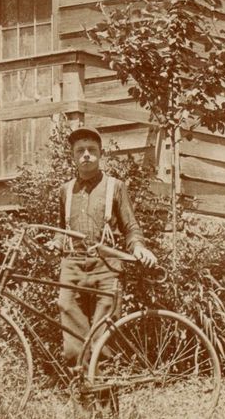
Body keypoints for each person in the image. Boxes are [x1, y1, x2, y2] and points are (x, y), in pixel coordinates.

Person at [54, 124, 158, 368]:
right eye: (80, 151)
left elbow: (131, 227)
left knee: (104, 336)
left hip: (107, 265)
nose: (86, 155)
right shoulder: (65, 190)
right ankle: (81, 387)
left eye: (91, 150)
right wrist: (55, 242)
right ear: (73, 156)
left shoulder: (115, 186)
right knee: (71, 335)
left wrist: (139, 247)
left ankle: (105, 389)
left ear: (101, 154)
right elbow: (62, 228)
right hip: (72, 265)